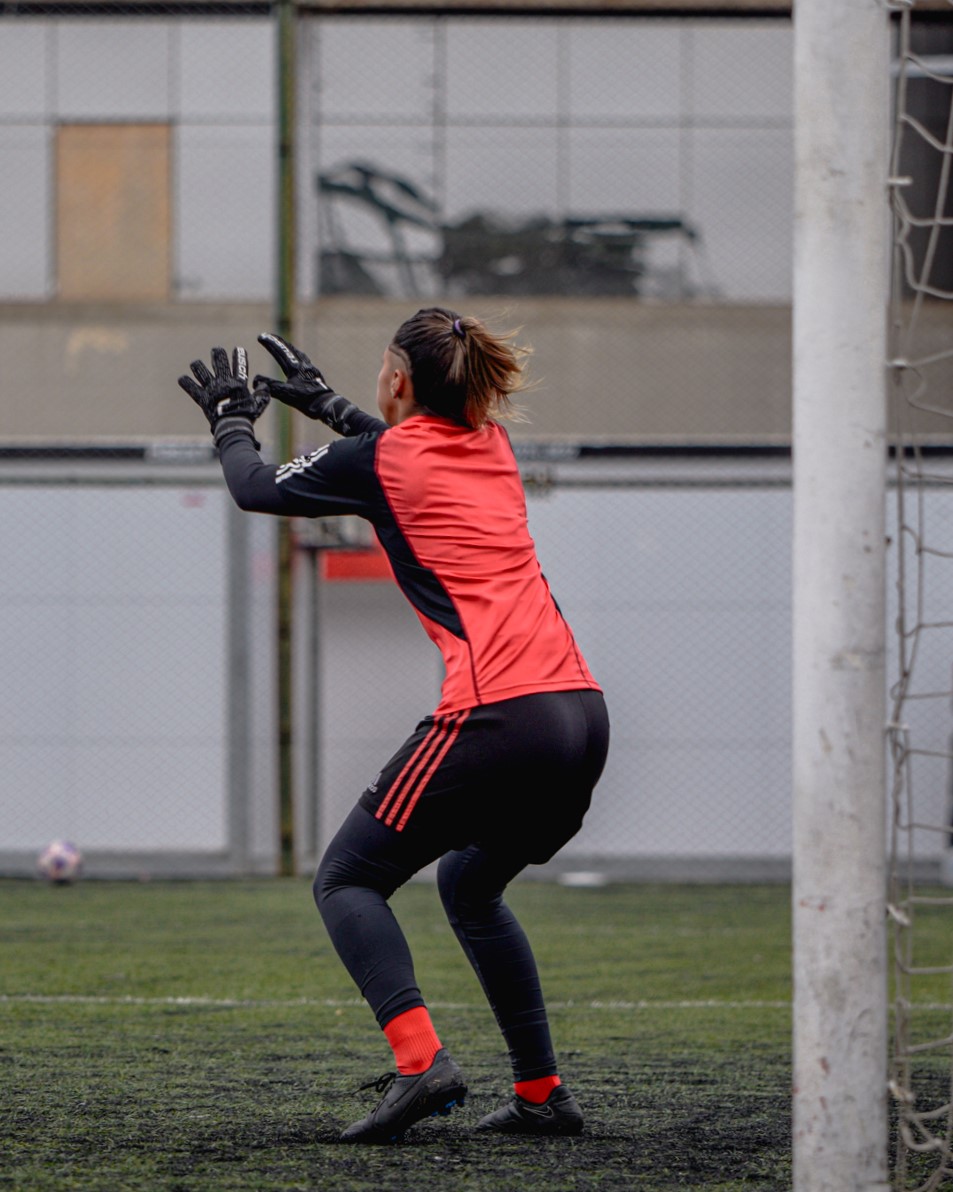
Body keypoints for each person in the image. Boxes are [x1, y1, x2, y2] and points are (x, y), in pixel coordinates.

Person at [178, 307, 610, 1145]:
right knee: (469, 886)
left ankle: (421, 1066)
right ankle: (542, 1094)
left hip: (497, 712)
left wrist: (232, 420)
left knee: (345, 877)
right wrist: (333, 407)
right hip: (581, 715)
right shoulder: (492, 447)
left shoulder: (379, 460)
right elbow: (405, 456)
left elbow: (254, 487)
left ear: (399, 379)